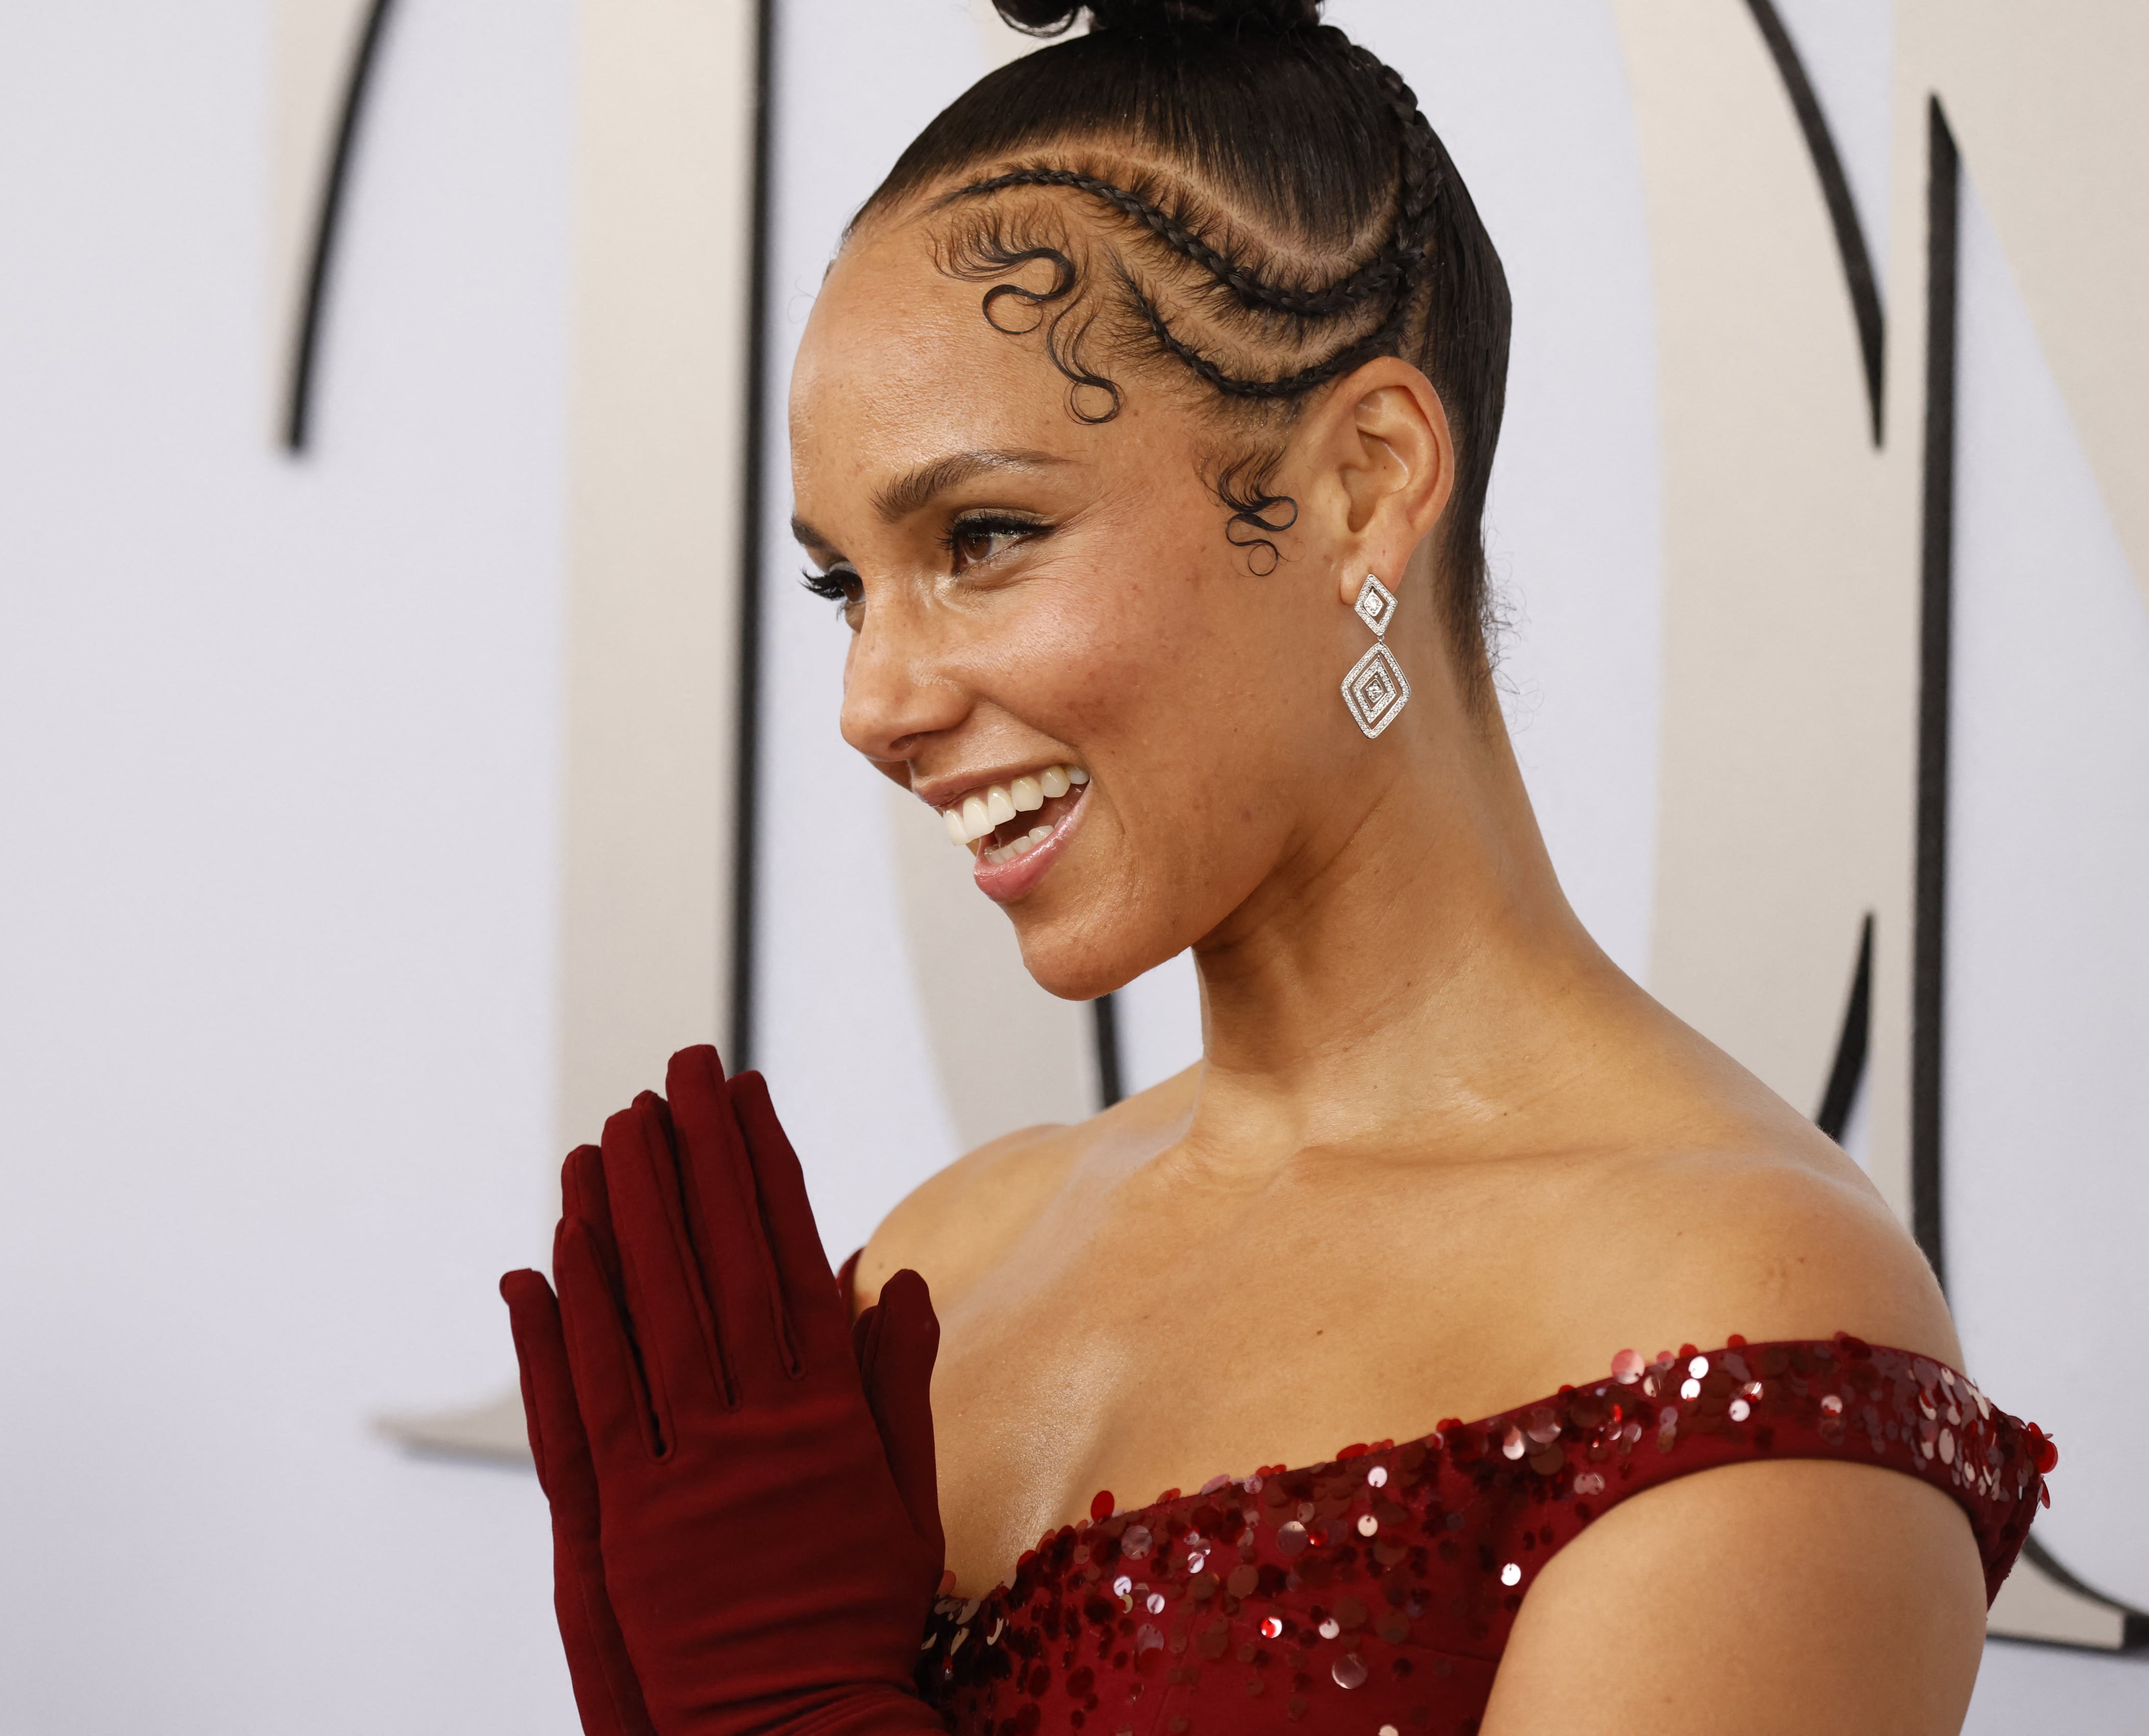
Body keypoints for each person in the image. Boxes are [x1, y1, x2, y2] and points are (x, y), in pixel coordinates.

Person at [504, 4, 2050, 1732]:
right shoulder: (951, 1258)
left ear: (1362, 484)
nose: (876, 700)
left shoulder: (1738, 1312)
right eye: (843, 585)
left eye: (984, 537)